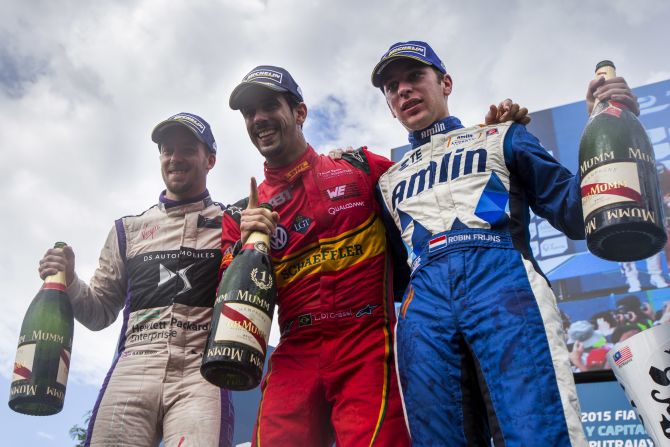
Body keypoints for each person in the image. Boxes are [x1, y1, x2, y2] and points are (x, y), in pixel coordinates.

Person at [219, 65, 524, 446]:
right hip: (294, 352)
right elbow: (228, 313)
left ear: (300, 112)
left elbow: (437, 172)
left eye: (269, 105)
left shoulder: (360, 167)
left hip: (366, 344)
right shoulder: (239, 216)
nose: (259, 118)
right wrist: (247, 246)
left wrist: (491, 132)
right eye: (249, 113)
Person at [372, 40, 640, 446]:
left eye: (414, 77)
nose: (404, 90)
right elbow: (390, 276)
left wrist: (603, 127)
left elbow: (574, 211)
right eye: (392, 87)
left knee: (539, 432)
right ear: (390, 105)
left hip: (504, 286)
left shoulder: (502, 137)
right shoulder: (388, 182)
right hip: (423, 308)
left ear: (445, 83)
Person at [38, 113, 234, 447]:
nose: (175, 158)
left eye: (187, 149)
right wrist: (70, 280)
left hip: (202, 371)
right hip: (134, 366)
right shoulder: (127, 230)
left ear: (210, 159)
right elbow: (100, 312)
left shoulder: (234, 221)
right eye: (167, 150)